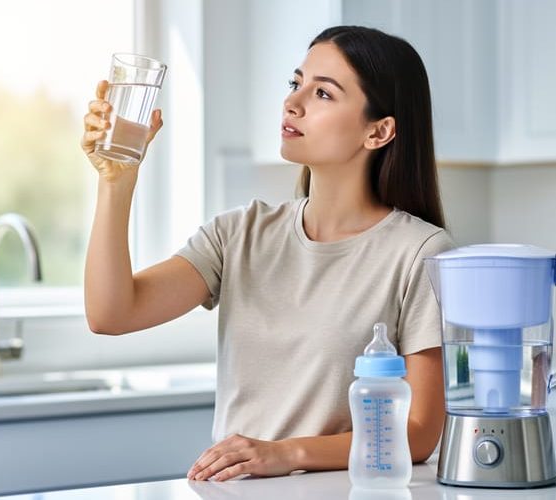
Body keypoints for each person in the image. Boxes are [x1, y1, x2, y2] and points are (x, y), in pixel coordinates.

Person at [81, 25, 453, 482]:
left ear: (378, 131)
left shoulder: (419, 253)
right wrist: (116, 182)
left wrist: (285, 453)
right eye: (296, 84)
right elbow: (112, 314)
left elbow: (418, 432)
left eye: (323, 94)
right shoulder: (239, 234)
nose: (292, 103)